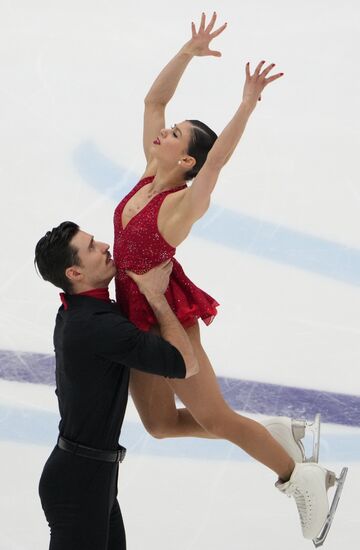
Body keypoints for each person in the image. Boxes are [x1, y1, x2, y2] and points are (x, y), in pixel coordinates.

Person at [113, 12, 346, 543]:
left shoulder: (177, 205)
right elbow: (153, 101)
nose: (163, 132)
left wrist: (245, 105)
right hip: (131, 312)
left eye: (174, 135)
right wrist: (186, 53)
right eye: (167, 132)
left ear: (186, 157)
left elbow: (216, 164)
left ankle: (299, 478)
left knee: (216, 419)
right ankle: (275, 436)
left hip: (163, 315)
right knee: (160, 425)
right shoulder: (150, 175)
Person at [34, 221, 199, 550]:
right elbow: (186, 363)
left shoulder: (77, 312)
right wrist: (154, 295)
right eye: (93, 247)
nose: (106, 246)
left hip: (90, 475)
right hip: (80, 483)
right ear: (75, 274)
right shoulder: (96, 327)